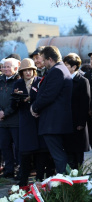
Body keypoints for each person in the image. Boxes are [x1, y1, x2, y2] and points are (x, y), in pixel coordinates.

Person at [30, 46, 73, 174]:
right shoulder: (60, 69)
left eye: (43, 60)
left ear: (50, 59)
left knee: (58, 155)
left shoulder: (57, 71)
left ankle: (63, 183)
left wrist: (34, 107)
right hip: (55, 122)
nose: (42, 63)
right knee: (58, 154)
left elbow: (48, 95)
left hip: (53, 123)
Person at [11, 58, 48, 186]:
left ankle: (39, 179)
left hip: (39, 119)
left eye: (30, 70)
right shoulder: (18, 84)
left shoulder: (40, 81)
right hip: (25, 121)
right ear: (21, 72)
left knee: (41, 151)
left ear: (34, 70)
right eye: (25, 70)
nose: (28, 73)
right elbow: (13, 105)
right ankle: (23, 180)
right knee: (25, 152)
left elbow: (44, 98)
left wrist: (32, 99)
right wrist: (18, 99)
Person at [63, 53, 90, 169]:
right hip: (66, 122)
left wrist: (81, 122)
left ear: (74, 67)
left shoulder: (82, 81)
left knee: (78, 154)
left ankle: (79, 177)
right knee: (68, 152)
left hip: (77, 123)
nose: (64, 68)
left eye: (66, 66)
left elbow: (85, 102)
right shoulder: (63, 80)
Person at [0, 58, 20, 178]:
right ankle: (8, 170)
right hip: (2, 122)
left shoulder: (18, 81)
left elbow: (16, 101)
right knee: (4, 146)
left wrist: (5, 113)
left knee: (18, 147)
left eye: (9, 67)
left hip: (15, 120)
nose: (6, 69)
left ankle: (19, 169)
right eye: (4, 66)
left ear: (16, 68)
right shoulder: (0, 81)